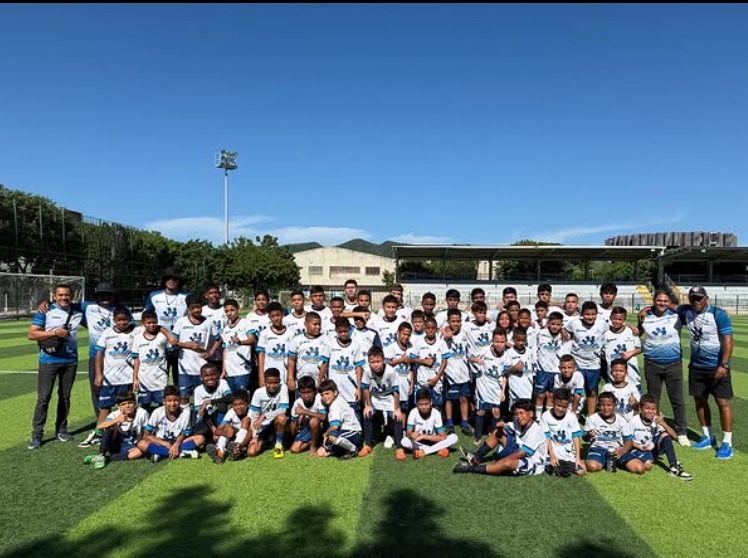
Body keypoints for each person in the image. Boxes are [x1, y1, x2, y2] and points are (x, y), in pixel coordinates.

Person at [674, 286, 734, 459]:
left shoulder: (718, 314)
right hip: (697, 366)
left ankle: (727, 442)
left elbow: (728, 341)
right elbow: (668, 305)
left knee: (723, 402)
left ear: (706, 298)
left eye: (699, 298)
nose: (696, 301)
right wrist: (648, 308)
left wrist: (724, 365)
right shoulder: (686, 311)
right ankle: (708, 436)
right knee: (700, 401)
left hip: (717, 366)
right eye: (692, 298)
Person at [27, 283, 83, 449]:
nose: (64, 298)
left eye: (67, 295)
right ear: (54, 296)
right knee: (44, 398)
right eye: (60, 295)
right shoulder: (45, 310)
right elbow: (32, 334)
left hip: (70, 361)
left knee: (65, 397)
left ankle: (62, 429)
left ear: (72, 296)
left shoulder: (78, 311)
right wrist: (55, 332)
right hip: (49, 360)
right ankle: (37, 434)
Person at [637, 289, 689, 446]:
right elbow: (639, 333)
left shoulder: (677, 316)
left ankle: (681, 432)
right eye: (659, 300)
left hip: (673, 364)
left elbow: (690, 310)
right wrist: (639, 319)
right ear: (653, 301)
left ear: (670, 302)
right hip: (652, 364)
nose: (662, 303)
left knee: (677, 399)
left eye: (665, 301)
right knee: (653, 399)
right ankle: (656, 427)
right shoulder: (645, 316)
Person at [452, 399, 547, 476]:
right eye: (516, 414)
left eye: (521, 413)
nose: (519, 416)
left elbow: (521, 454)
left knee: (507, 463)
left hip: (532, 463)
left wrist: (502, 461)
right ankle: (476, 458)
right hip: (520, 451)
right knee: (498, 433)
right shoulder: (519, 423)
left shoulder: (536, 431)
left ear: (531, 414)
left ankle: (471, 468)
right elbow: (502, 424)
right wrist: (501, 427)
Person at [143, 267, 190, 385]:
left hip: (181, 341)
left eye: (174, 279)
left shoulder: (187, 296)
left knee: (180, 374)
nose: (171, 281)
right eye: (168, 279)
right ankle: (162, 395)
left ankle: (179, 395)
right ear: (164, 281)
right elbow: (146, 316)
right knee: (161, 373)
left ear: (178, 281)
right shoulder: (154, 296)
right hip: (160, 339)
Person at [630, 394, 693, 480]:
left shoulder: (656, 420)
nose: (651, 412)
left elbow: (675, 437)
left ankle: (674, 466)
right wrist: (640, 447)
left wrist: (663, 423)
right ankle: (644, 458)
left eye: (653, 409)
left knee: (665, 435)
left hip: (652, 449)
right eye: (647, 408)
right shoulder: (634, 421)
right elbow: (627, 440)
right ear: (640, 408)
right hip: (636, 449)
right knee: (647, 466)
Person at [173, 294, 222, 406]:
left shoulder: (208, 322)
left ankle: (200, 416)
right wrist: (188, 345)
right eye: (193, 308)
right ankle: (186, 416)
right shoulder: (181, 321)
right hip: (184, 368)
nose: (196, 310)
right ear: (188, 308)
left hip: (201, 367)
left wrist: (211, 352)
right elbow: (173, 341)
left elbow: (218, 339)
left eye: (198, 307)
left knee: (202, 397)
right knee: (184, 397)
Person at [93, 306, 137, 429]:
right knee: (105, 406)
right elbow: (99, 353)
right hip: (109, 379)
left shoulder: (135, 331)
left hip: (127, 378)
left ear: (129, 319)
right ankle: (100, 432)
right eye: (119, 320)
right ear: (114, 320)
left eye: (125, 319)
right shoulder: (107, 333)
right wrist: (98, 374)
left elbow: (151, 325)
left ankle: (126, 430)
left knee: (127, 406)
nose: (122, 322)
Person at [137, 385, 205, 462]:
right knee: (141, 443)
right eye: (169, 401)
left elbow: (184, 434)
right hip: (161, 442)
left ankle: (161, 453)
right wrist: (163, 443)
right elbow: (146, 435)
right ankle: (181, 452)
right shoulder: (157, 412)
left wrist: (176, 444)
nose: (172, 404)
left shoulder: (185, 413)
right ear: (164, 401)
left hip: (178, 441)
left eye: (176, 400)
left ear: (180, 400)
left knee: (200, 438)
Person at [82, 391, 148, 469]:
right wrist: (117, 420)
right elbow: (99, 427)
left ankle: (105, 458)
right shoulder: (114, 414)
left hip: (133, 444)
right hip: (116, 443)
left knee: (140, 452)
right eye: (123, 404)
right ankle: (101, 454)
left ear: (135, 403)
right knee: (111, 426)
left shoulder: (142, 413)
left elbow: (146, 431)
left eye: (130, 403)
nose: (127, 406)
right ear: (119, 407)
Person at [565, 301, 608, 417]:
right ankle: (572, 415)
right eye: (587, 314)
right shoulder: (574, 323)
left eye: (593, 314)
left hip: (594, 364)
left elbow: (614, 328)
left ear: (597, 314)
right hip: (577, 364)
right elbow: (564, 330)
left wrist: (630, 326)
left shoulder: (602, 324)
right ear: (581, 314)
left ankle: (591, 418)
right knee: (575, 391)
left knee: (591, 392)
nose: (590, 317)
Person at [358, 346, 402, 457]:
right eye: (372, 362)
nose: (375, 365)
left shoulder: (391, 371)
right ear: (368, 362)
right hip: (376, 397)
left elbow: (396, 391)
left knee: (397, 417)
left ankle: (399, 447)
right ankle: (368, 445)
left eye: (378, 361)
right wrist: (367, 405)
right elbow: (365, 388)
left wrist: (397, 408)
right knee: (367, 414)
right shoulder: (367, 371)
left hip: (388, 397)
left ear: (383, 360)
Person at [583, 392, 643, 474]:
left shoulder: (621, 420)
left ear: (615, 405)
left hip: (618, 449)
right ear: (598, 405)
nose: (606, 408)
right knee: (592, 466)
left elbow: (629, 441)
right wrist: (588, 435)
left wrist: (623, 450)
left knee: (639, 468)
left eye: (609, 405)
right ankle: (601, 460)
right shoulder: (592, 418)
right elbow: (585, 438)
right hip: (599, 448)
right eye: (602, 405)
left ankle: (616, 461)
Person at [435, 309, 473, 436]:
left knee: (464, 398)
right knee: (449, 399)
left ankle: (464, 422)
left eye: (458, 321)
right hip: (450, 372)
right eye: (453, 321)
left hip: (464, 372)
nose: (455, 323)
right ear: (448, 321)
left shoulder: (465, 334)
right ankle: (449, 423)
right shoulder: (442, 336)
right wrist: (443, 331)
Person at [132, 310, 177, 415]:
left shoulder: (162, 337)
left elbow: (169, 354)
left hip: (160, 379)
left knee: (162, 407)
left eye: (154, 322)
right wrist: (135, 378)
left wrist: (166, 370)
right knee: (144, 408)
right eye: (148, 323)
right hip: (144, 379)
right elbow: (136, 360)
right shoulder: (137, 339)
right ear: (143, 323)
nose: (152, 325)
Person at [469, 329, 509, 445]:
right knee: (481, 411)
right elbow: (470, 358)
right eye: (496, 341)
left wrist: (503, 391)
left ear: (505, 342)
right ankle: (478, 436)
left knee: (496, 411)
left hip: (496, 388)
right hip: (483, 387)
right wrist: (476, 360)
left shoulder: (507, 356)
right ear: (492, 341)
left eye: (502, 342)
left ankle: (494, 434)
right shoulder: (484, 350)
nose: (499, 344)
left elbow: (504, 375)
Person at [401, 388, 458, 459]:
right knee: (404, 441)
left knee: (454, 437)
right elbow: (408, 433)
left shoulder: (436, 413)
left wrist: (424, 436)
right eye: (420, 404)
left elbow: (442, 437)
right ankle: (436, 450)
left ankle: (424, 452)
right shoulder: (413, 412)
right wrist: (411, 435)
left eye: (426, 404)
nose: (424, 407)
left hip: (433, 440)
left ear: (431, 402)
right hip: (418, 442)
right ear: (416, 404)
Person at [327, 317, 365, 423]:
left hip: (351, 390)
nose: (343, 334)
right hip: (335, 389)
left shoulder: (356, 346)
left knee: (354, 417)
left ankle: (356, 432)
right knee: (335, 417)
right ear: (336, 331)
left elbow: (359, 367)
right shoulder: (330, 344)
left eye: (345, 331)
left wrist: (359, 388)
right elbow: (325, 365)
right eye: (340, 332)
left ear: (349, 330)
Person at [541, 388, 585, 477]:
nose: (560, 409)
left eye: (564, 407)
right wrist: (552, 455)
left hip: (567, 451)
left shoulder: (572, 417)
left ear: (568, 405)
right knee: (553, 464)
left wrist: (578, 457)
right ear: (553, 402)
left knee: (581, 471)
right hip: (552, 451)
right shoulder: (545, 416)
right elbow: (546, 437)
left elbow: (576, 437)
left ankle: (560, 466)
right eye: (558, 405)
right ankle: (552, 464)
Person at [247, 367, 290, 458]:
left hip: (275, 423)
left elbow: (283, 410)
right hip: (262, 426)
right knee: (251, 452)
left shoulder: (283, 388)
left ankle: (278, 445)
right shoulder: (258, 392)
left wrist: (264, 415)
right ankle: (266, 441)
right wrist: (255, 436)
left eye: (275, 383)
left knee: (282, 417)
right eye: (269, 383)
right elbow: (254, 416)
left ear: (279, 381)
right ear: (264, 382)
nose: (272, 386)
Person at [534, 311, 570, 416]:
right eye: (553, 324)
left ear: (562, 325)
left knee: (551, 396)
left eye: (558, 324)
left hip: (556, 371)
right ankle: (538, 418)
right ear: (548, 323)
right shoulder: (541, 333)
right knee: (540, 395)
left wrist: (563, 330)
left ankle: (548, 416)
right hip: (542, 370)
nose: (555, 326)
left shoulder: (564, 336)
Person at [317, 379, 364, 460]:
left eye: (327, 393)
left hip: (353, 432)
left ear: (335, 392)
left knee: (332, 437)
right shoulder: (336, 400)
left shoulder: (335, 405)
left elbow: (335, 426)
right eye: (322, 395)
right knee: (321, 453)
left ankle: (353, 450)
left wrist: (325, 435)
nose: (325, 397)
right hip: (343, 432)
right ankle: (341, 449)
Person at [287, 312, 330, 392]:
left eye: (319, 324)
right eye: (315, 324)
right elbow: (291, 360)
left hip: (320, 384)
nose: (318, 327)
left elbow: (326, 362)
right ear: (306, 324)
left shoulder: (327, 340)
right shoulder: (296, 340)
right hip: (302, 383)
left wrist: (320, 382)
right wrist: (290, 379)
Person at [205, 389, 252, 464]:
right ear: (232, 405)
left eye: (241, 404)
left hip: (247, 439)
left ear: (247, 404)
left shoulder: (251, 412)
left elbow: (251, 431)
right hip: (234, 438)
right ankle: (220, 453)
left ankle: (236, 449)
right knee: (227, 428)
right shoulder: (231, 412)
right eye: (235, 405)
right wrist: (225, 433)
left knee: (246, 420)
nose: (238, 407)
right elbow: (217, 431)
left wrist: (240, 445)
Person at [256, 301, 295, 387]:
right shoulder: (264, 334)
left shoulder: (290, 333)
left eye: (278, 315)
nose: (276, 318)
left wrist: (290, 377)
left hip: (284, 374)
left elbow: (292, 357)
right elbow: (261, 356)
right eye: (273, 316)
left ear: (282, 314)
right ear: (269, 317)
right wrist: (261, 376)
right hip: (268, 375)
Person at [192, 362, 232, 445]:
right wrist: (214, 430)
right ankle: (208, 439)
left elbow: (230, 398)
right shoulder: (198, 390)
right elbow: (202, 413)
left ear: (218, 375)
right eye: (206, 376)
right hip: (206, 420)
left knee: (222, 405)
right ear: (201, 377)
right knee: (200, 415)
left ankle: (219, 439)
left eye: (213, 374)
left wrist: (210, 401)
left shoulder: (222, 383)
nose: (210, 378)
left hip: (220, 417)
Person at [602, 306, 642, 388]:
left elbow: (640, 348)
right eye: (614, 319)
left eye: (620, 319)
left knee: (634, 395)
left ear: (624, 320)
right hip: (613, 374)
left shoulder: (631, 332)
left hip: (631, 374)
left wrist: (631, 353)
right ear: (610, 318)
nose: (617, 321)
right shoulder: (605, 334)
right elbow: (602, 352)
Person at [410, 316, 444, 410]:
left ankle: (437, 419)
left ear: (436, 329)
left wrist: (437, 377)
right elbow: (411, 359)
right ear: (424, 328)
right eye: (428, 328)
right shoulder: (418, 343)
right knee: (422, 406)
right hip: (422, 382)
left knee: (437, 406)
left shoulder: (441, 343)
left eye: (433, 328)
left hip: (437, 382)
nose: (430, 330)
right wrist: (424, 361)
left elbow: (444, 362)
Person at [220, 299, 253, 392]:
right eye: (227, 311)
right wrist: (223, 370)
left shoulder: (246, 323)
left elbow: (252, 339)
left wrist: (240, 342)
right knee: (231, 397)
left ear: (238, 309)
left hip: (242, 369)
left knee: (241, 396)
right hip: (230, 370)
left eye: (232, 310)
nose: (229, 313)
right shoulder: (225, 329)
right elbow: (225, 350)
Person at [289, 376, 327, 455]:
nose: (306, 396)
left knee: (314, 421)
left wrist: (304, 412)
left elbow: (323, 417)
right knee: (294, 449)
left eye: (309, 392)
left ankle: (313, 447)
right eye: (303, 393)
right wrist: (295, 435)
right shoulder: (297, 403)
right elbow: (293, 423)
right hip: (308, 428)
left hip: (323, 427)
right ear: (299, 392)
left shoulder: (319, 398)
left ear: (314, 390)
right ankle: (318, 440)